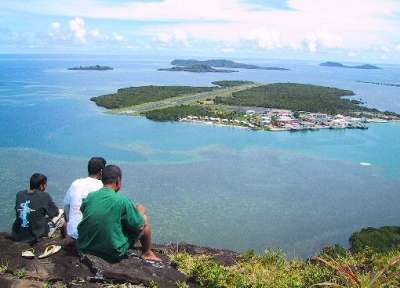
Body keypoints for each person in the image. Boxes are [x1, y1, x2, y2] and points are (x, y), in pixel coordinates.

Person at [77, 165, 160, 263]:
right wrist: (140, 212)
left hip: (84, 248)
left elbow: (85, 211)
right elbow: (138, 225)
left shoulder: (90, 196)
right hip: (112, 253)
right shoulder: (122, 200)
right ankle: (147, 253)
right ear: (118, 181)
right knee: (144, 219)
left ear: (102, 180)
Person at [12, 173, 64, 244]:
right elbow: (55, 213)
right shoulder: (44, 195)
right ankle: (64, 240)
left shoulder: (19, 194)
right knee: (62, 214)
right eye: (45, 184)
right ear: (41, 186)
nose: (46, 186)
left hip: (18, 235)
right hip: (36, 236)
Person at [63, 157, 106, 240]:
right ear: (101, 172)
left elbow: (66, 207)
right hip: (90, 236)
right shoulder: (102, 186)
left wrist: (70, 222)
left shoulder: (76, 183)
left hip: (72, 233)